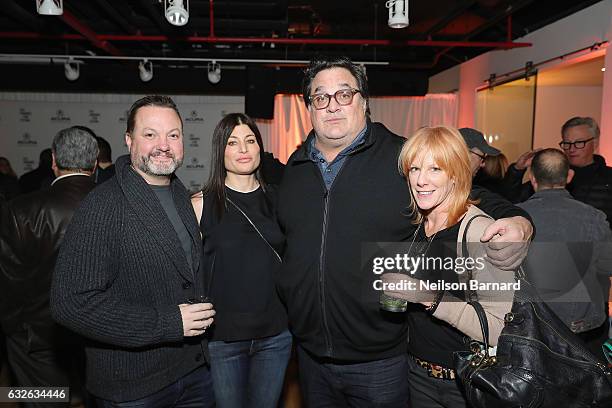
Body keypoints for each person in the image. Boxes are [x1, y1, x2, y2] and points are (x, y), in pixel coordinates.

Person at [276, 55, 533, 407]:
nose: (332, 106)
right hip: (310, 356)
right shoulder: (295, 168)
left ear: (364, 101)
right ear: (309, 106)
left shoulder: (399, 157)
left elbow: (464, 192)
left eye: (344, 94)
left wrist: (520, 221)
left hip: (381, 359)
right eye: (321, 97)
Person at [50, 95, 215, 407]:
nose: (163, 145)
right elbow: (68, 303)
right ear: (129, 140)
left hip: (193, 372)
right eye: (150, 134)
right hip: (134, 388)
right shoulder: (103, 205)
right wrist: (168, 323)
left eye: (173, 135)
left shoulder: (180, 194)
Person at [381, 126, 516, 407]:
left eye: (435, 169)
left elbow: (498, 329)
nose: (420, 180)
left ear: (455, 174)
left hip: (466, 383)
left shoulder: (479, 232)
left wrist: (428, 297)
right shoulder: (419, 225)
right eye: (414, 169)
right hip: (417, 375)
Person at [191, 113, 291, 408]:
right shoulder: (200, 204)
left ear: (260, 147)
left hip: (276, 336)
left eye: (250, 140)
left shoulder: (281, 201)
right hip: (223, 339)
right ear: (220, 152)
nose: (244, 149)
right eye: (233, 143)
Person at [0, 126, 98, 407]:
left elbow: (8, 279)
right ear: (93, 164)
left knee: (43, 400)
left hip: (38, 335)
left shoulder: (20, 210)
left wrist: (15, 330)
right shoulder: (119, 205)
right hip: (100, 333)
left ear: (53, 161)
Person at [518, 148, 612, 359]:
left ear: (532, 178)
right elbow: (607, 265)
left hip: (530, 326)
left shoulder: (515, 217)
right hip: (582, 326)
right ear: (569, 176)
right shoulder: (594, 217)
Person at [504, 117, 612, 229]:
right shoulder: (555, 173)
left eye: (579, 142)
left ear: (595, 143)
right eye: (567, 143)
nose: (571, 149)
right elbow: (510, 202)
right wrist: (517, 170)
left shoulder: (608, 178)